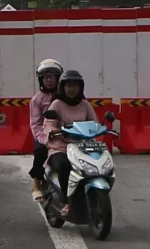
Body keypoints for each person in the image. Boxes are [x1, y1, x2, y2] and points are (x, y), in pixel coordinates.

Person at [39, 69, 98, 199]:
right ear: (63, 87)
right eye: (69, 86)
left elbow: (94, 123)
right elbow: (48, 123)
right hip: (61, 148)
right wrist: (52, 131)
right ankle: (67, 201)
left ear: (81, 87)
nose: (72, 89)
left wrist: (99, 129)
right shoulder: (57, 104)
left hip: (83, 147)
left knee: (97, 164)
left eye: (75, 86)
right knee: (65, 165)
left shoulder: (85, 105)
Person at [25, 58, 64, 196]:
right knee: (40, 152)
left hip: (66, 135)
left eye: (52, 77)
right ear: (41, 80)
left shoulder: (66, 96)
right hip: (45, 136)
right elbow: (35, 124)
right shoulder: (37, 100)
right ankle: (36, 184)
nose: (49, 80)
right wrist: (45, 140)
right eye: (46, 77)